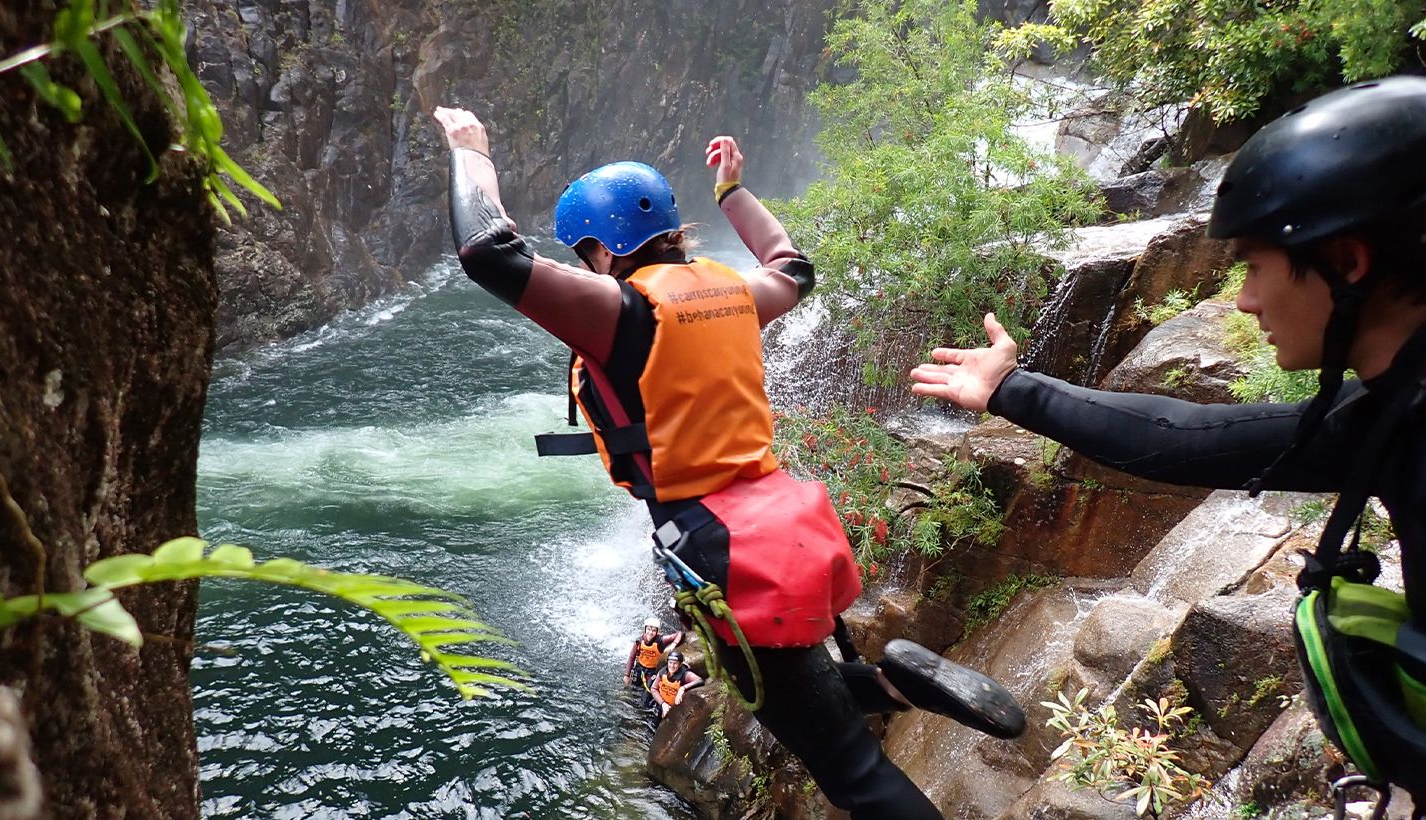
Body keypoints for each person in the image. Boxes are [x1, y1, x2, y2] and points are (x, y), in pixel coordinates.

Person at [434, 105, 1023, 819]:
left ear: (601, 246)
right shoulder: (732, 291)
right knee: (795, 693)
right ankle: (896, 685)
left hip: (721, 545)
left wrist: (472, 153)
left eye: (582, 249)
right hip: (786, 516)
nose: (580, 264)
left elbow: (487, 253)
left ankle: (888, 689)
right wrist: (734, 192)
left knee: (852, 772)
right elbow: (794, 268)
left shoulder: (621, 310)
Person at [911, 76, 1426, 813]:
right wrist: (1009, 390)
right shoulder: (1398, 406)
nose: (1244, 301)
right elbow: (1192, 440)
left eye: (1253, 268)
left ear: (1347, 264)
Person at [625, 617, 683, 704]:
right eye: (648, 629)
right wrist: (627, 674)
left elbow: (680, 633)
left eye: (653, 630)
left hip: (653, 671)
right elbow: (631, 658)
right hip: (639, 668)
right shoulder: (639, 642)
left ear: (657, 632)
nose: (650, 632)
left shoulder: (661, 640)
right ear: (644, 629)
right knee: (633, 689)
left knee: (646, 695)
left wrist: (673, 645)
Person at [650, 650, 704, 721]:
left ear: (680, 664)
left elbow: (700, 680)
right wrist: (663, 704)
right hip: (662, 704)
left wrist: (683, 688)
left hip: (675, 709)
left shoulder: (685, 675)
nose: (672, 666)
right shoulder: (662, 672)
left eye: (675, 664)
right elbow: (653, 689)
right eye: (670, 663)